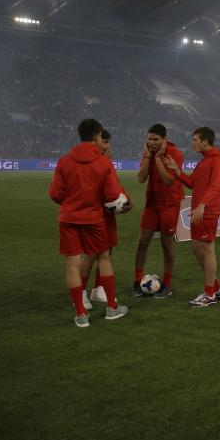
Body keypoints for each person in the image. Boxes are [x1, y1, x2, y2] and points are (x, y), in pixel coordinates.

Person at [48, 118, 130, 328]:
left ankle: (81, 314)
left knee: (71, 264)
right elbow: (112, 196)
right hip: (94, 218)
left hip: (68, 218)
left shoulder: (64, 161)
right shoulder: (104, 162)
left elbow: (55, 194)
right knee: (104, 257)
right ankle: (112, 308)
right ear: (97, 136)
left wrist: (70, 201)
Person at [162, 126, 220, 307]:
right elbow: (191, 182)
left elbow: (216, 186)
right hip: (199, 211)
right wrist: (176, 170)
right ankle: (217, 288)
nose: (193, 143)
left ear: (205, 141)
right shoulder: (203, 161)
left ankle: (209, 295)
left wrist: (203, 204)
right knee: (197, 249)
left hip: (207, 211)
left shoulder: (217, 161)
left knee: (206, 249)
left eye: (196, 140)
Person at [133, 124, 185, 298]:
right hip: (152, 203)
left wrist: (158, 159)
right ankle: (136, 281)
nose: (152, 142)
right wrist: (148, 156)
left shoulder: (175, 153)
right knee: (142, 241)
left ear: (164, 140)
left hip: (170, 203)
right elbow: (141, 179)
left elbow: (168, 181)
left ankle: (167, 284)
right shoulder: (148, 152)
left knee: (166, 243)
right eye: (149, 139)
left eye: (156, 140)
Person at [85, 129, 132, 307]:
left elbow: (114, 184)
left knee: (107, 250)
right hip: (93, 214)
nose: (108, 146)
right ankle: (81, 293)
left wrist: (126, 200)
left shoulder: (106, 161)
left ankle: (98, 290)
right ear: (95, 141)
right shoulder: (89, 161)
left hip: (106, 214)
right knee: (91, 254)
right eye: (105, 142)